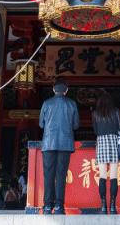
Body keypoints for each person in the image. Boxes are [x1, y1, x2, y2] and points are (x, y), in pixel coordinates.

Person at [39, 78, 80, 214]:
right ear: (66, 90)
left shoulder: (46, 103)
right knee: (61, 175)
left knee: (48, 175)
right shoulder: (72, 103)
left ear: (53, 89)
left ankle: (47, 206)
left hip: (48, 143)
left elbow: (41, 124)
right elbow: (76, 125)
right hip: (65, 143)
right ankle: (59, 207)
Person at [92, 92, 120, 214]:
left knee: (102, 177)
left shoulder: (95, 113)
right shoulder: (116, 111)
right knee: (113, 177)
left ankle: (103, 206)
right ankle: (113, 207)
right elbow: (119, 128)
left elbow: (96, 130)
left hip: (101, 142)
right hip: (114, 141)